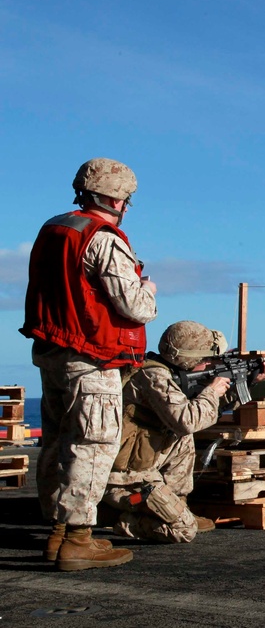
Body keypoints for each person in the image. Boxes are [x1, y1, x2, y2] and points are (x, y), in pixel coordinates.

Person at [20, 157, 157, 571]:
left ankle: (58, 533)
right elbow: (135, 307)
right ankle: (78, 539)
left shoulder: (55, 229)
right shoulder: (103, 239)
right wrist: (148, 290)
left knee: (59, 442)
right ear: (116, 200)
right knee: (92, 446)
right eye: (127, 200)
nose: (126, 207)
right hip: (91, 358)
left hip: (53, 352)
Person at [101, 321, 265, 543]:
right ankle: (123, 519)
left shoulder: (170, 373)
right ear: (189, 360)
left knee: (183, 437)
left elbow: (207, 413)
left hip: (144, 468)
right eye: (206, 360)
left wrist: (250, 383)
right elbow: (188, 420)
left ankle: (178, 505)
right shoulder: (154, 376)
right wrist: (211, 391)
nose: (209, 364)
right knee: (184, 530)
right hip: (125, 479)